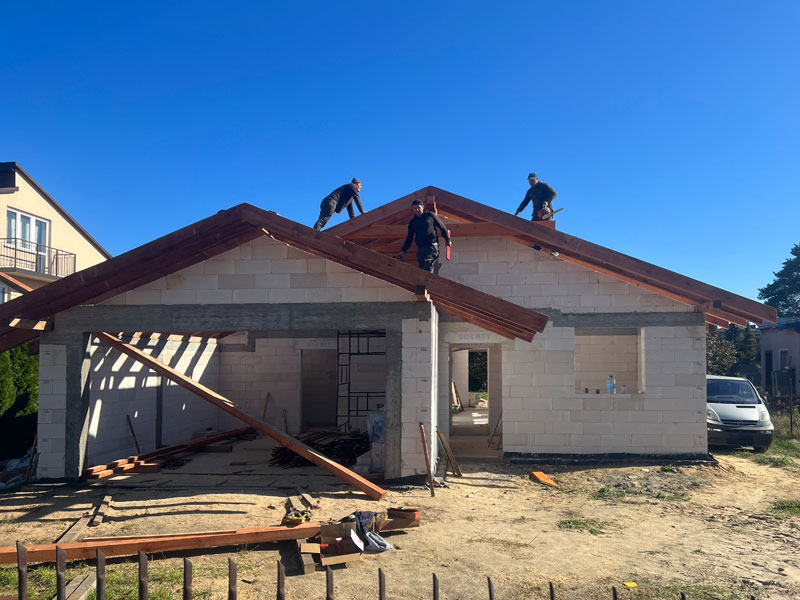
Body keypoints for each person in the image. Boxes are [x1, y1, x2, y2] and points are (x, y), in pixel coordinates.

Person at [394, 199, 451, 272]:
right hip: (421, 248)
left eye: (418, 207)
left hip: (432, 245)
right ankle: (423, 282)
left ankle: (429, 281)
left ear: (423, 207)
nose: (417, 210)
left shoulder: (430, 215)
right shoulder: (413, 222)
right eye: (415, 208)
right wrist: (403, 251)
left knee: (428, 262)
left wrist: (447, 239)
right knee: (422, 267)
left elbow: (442, 227)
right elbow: (409, 238)